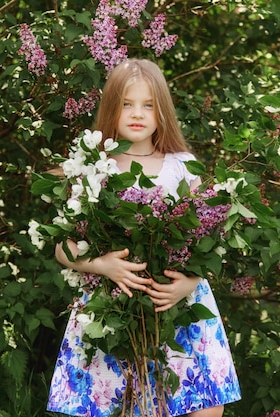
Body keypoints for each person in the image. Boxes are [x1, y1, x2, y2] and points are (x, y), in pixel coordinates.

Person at [47, 59, 241, 417]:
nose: (138, 113)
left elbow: (209, 237)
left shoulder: (181, 165)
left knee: (205, 405)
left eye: (149, 104)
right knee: (122, 402)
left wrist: (191, 282)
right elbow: (62, 245)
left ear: (162, 110)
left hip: (178, 303)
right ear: (111, 108)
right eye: (127, 103)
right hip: (115, 307)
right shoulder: (94, 168)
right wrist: (101, 264)